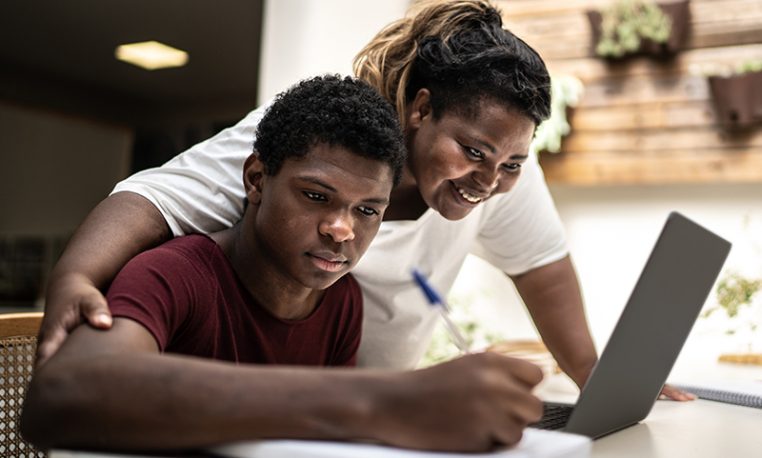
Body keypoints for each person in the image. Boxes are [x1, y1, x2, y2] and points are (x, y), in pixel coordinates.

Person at [35, 0, 690, 402]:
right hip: (300, 402)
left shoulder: (342, 301)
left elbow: (541, 267)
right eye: (475, 153)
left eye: (512, 162)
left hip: (345, 404)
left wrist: (595, 377)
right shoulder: (317, 138)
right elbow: (155, 197)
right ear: (420, 110)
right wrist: (73, 276)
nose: (489, 181)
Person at [23, 75, 546, 453]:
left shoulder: (342, 302)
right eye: (316, 197)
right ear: (255, 180)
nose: (342, 229)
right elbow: (60, 396)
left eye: (368, 210)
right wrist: (380, 400)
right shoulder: (173, 273)